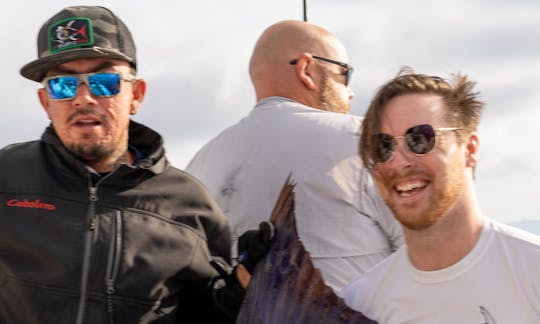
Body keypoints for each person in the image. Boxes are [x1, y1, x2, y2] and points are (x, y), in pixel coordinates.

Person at [0, 6, 263, 324]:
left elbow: (206, 316)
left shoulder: (192, 206)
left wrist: (240, 287)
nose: (83, 98)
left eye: (104, 82)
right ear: (46, 102)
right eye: (63, 86)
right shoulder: (6, 175)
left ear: (136, 95)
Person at [186, 20, 403, 292]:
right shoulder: (364, 140)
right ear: (306, 69)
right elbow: (430, 256)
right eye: (344, 74)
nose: (351, 92)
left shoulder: (199, 164)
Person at [340, 69, 540, 323]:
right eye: (383, 146)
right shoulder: (360, 306)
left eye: (420, 139)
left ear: (469, 149)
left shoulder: (532, 271)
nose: (399, 162)